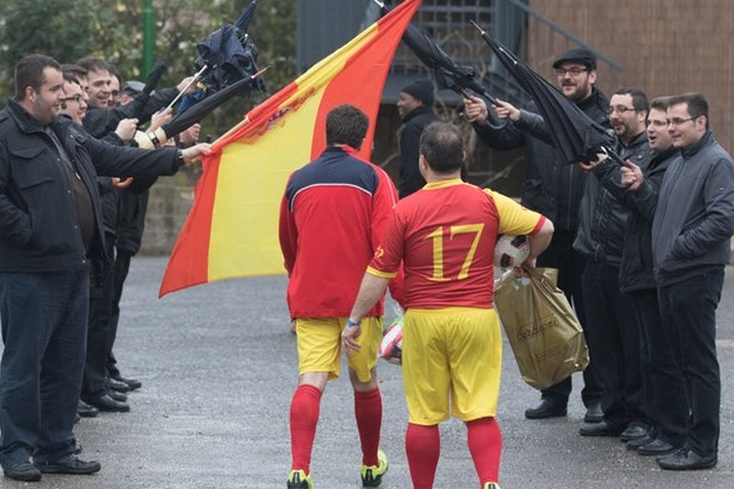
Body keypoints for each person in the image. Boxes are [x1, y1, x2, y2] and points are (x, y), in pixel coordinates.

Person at [0, 54, 209, 482]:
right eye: (57, 90)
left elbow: (116, 158)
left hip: (75, 269)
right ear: (30, 93)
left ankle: (57, 446)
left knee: (66, 364)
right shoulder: (5, 136)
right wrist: (31, 230)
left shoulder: (63, 132)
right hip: (29, 274)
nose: (65, 97)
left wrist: (180, 157)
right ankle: (17, 450)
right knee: (24, 364)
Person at [344, 121, 553, 489]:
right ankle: (489, 482)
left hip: (424, 321)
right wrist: (526, 260)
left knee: (424, 417)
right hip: (475, 317)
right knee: (480, 412)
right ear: (464, 157)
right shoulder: (487, 200)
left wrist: (355, 319)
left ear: (423, 162)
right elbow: (544, 228)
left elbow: (380, 271)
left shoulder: (406, 210)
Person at [463, 47, 606, 422]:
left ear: (593, 76)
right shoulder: (539, 108)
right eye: (562, 72)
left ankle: (598, 396)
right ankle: (554, 393)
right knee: (545, 318)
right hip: (546, 234)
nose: (567, 78)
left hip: (589, 236)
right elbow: (504, 138)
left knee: (592, 318)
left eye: (576, 71)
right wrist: (482, 121)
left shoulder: (605, 115)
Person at [278, 104, 397, 489]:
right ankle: (368, 465)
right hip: (360, 302)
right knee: (364, 381)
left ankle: (300, 469)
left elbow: (288, 242)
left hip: (311, 296)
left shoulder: (297, 179)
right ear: (363, 140)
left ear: (327, 134)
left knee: (310, 380)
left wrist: (301, 276)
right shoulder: (375, 178)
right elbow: (387, 246)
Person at [591, 96, 681, 455]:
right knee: (620, 348)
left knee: (657, 355)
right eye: (659, 123)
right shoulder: (637, 154)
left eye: (666, 123)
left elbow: (652, 208)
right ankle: (637, 419)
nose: (661, 129)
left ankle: (662, 425)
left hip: (652, 269)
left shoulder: (667, 160)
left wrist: (634, 184)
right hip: (618, 261)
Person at [650, 93, 734, 470]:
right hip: (672, 275)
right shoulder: (679, 162)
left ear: (701, 123)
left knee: (699, 365)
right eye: (668, 121)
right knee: (683, 363)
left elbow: (722, 220)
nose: (671, 128)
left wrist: (679, 248)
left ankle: (703, 447)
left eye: (678, 121)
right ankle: (688, 439)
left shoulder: (716, 162)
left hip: (694, 276)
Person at [576, 88, 653, 442]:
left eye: (623, 109)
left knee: (632, 344)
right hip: (596, 258)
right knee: (602, 342)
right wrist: (518, 116)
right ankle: (614, 412)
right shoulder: (608, 145)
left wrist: (606, 169)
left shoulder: (649, 154)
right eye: (611, 109)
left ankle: (639, 416)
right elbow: (556, 128)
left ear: (642, 114)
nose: (614, 115)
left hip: (626, 262)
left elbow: (633, 197)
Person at [397, 79, 440, 198]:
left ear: (418, 102)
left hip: (418, 199)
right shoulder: (441, 124)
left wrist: (404, 198)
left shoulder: (413, 128)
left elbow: (411, 169)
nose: (398, 103)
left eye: (403, 99)